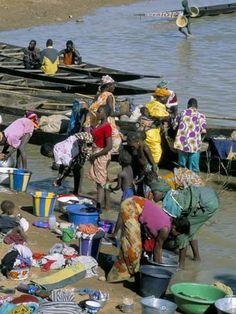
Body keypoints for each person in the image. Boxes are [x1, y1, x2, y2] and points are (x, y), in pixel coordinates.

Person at [107, 196, 190, 282]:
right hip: (132, 206)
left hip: (136, 204)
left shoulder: (168, 220)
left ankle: (119, 275)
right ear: (175, 228)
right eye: (178, 233)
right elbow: (158, 250)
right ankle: (122, 275)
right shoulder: (165, 229)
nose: (176, 236)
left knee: (129, 245)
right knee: (134, 248)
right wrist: (159, 269)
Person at [162, 186, 219, 269]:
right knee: (191, 228)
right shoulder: (173, 194)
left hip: (206, 204)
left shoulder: (172, 205)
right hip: (210, 197)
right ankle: (197, 257)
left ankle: (181, 265)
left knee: (183, 231)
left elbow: (179, 228)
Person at [84, 75, 130, 153]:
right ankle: (107, 150)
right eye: (113, 85)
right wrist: (125, 112)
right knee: (117, 144)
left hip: (94, 123)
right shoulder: (109, 96)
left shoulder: (98, 95)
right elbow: (111, 113)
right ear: (108, 86)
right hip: (105, 120)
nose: (114, 87)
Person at [88, 105, 113, 210]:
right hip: (97, 153)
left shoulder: (107, 127)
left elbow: (109, 146)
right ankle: (106, 205)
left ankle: (98, 207)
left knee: (100, 183)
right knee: (104, 180)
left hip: (101, 155)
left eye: (99, 111)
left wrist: (95, 155)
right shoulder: (99, 125)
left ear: (105, 113)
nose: (97, 113)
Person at [173, 98, 207, 173]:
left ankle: (182, 174)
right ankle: (194, 176)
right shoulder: (201, 116)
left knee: (182, 164)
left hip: (181, 142)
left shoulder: (181, 113)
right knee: (194, 165)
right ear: (197, 106)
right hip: (194, 143)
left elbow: (174, 126)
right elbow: (204, 131)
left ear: (188, 106)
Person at [126, 131, 157, 197]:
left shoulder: (145, 148)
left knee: (147, 192)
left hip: (149, 172)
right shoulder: (137, 148)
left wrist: (154, 174)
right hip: (143, 171)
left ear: (138, 141)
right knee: (140, 189)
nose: (131, 148)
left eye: (132, 146)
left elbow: (153, 163)